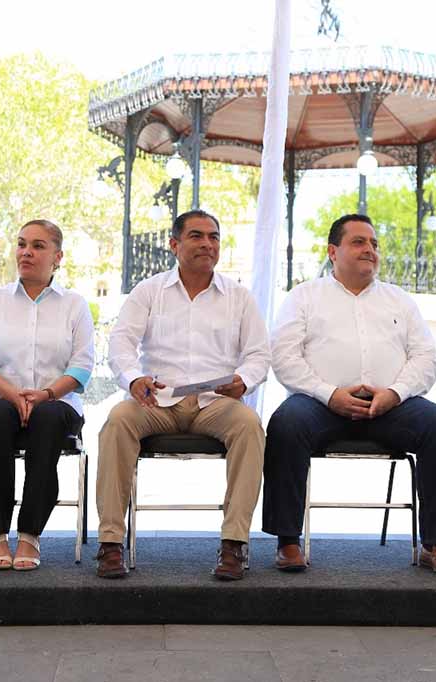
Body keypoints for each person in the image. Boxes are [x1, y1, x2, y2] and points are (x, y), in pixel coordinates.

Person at [263, 214, 436, 575]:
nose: (370, 250)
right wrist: (329, 394)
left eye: (374, 243)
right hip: (320, 404)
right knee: (285, 423)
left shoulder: (398, 300)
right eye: (358, 242)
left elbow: (426, 357)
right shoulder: (304, 297)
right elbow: (284, 357)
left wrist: (395, 393)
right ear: (333, 252)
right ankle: (288, 541)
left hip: (390, 406)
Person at [96, 209, 269, 581]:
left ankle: (234, 543)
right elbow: (121, 343)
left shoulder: (239, 297)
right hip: (156, 401)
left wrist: (243, 381)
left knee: (250, 425)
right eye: (196, 236)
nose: (207, 244)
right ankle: (110, 543)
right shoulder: (149, 291)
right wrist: (133, 379)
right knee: (117, 420)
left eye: (213, 237)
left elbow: (259, 354)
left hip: (215, 403)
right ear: (174, 245)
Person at [0, 219, 95, 571]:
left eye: (38, 246)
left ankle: (29, 533)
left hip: (58, 403)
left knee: (49, 416)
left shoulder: (74, 304)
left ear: (58, 257)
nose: (26, 252)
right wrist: (12, 395)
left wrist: (46, 394)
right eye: (22, 244)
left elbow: (82, 365)